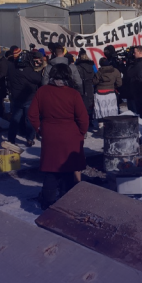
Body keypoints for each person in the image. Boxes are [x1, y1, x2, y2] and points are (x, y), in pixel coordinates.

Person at [29, 64, 89, 209]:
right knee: (68, 170)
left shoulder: (42, 91)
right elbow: (83, 118)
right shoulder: (73, 94)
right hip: (70, 135)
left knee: (51, 170)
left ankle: (47, 203)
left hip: (50, 134)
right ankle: (66, 202)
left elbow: (32, 114)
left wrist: (40, 129)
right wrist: (81, 132)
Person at [7, 50, 43, 147]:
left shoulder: (11, 67)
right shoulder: (28, 70)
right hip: (29, 98)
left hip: (16, 97)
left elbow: (9, 78)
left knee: (15, 119)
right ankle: (30, 139)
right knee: (30, 119)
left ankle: (11, 139)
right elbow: (38, 79)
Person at [125, 46, 142, 120]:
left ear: (140, 52)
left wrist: (129, 63)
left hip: (137, 92)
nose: (133, 54)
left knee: (136, 115)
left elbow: (129, 74)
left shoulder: (138, 65)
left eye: (135, 52)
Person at [93, 57, 122, 122]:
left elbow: (94, 82)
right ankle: (112, 125)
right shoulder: (115, 71)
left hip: (99, 93)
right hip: (111, 93)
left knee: (101, 111)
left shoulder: (99, 72)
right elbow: (119, 83)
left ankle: (101, 126)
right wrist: (113, 87)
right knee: (111, 111)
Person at [75, 49, 96, 130]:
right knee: (90, 103)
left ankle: (83, 121)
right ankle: (89, 120)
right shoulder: (91, 64)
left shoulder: (78, 65)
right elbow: (95, 73)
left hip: (80, 87)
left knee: (81, 104)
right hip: (90, 86)